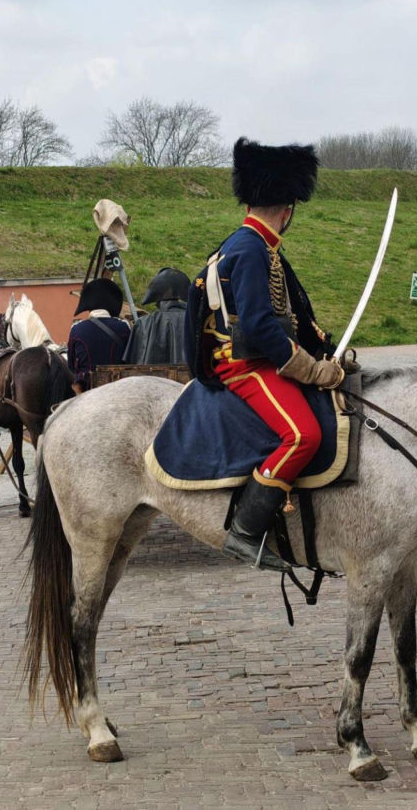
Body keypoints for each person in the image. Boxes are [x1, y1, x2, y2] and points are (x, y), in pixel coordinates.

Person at [185, 137, 345, 572]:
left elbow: (287, 315)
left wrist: (325, 352)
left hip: (257, 356)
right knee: (302, 435)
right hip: (244, 364)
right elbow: (257, 326)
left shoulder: (254, 243)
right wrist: (311, 370)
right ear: (287, 208)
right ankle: (245, 531)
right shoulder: (252, 249)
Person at [68, 278, 131, 393]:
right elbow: (131, 359)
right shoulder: (124, 327)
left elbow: (71, 366)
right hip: (119, 390)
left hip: (86, 392)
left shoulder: (76, 329)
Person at [123, 268, 191, 364]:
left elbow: (132, 361)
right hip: (191, 378)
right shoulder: (195, 321)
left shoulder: (143, 323)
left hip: (151, 377)